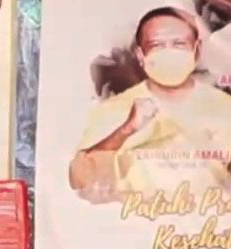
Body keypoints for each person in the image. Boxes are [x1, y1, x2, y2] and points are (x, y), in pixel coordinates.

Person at [68, 5, 231, 204]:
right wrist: (127, 130)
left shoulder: (224, 107)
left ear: (196, 50)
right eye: (157, 46)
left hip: (207, 218)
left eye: (179, 44)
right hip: (133, 218)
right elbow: (79, 180)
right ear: (140, 55)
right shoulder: (113, 110)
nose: (169, 53)